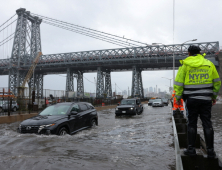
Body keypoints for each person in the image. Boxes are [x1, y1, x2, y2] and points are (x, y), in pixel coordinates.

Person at [174, 45, 221, 158]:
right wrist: (213, 96)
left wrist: (178, 99)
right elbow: (217, 82)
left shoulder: (185, 64)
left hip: (191, 100)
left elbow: (179, 83)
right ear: (200, 53)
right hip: (206, 99)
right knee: (207, 124)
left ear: (189, 53)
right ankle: (210, 152)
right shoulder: (209, 64)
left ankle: (191, 150)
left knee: (192, 123)